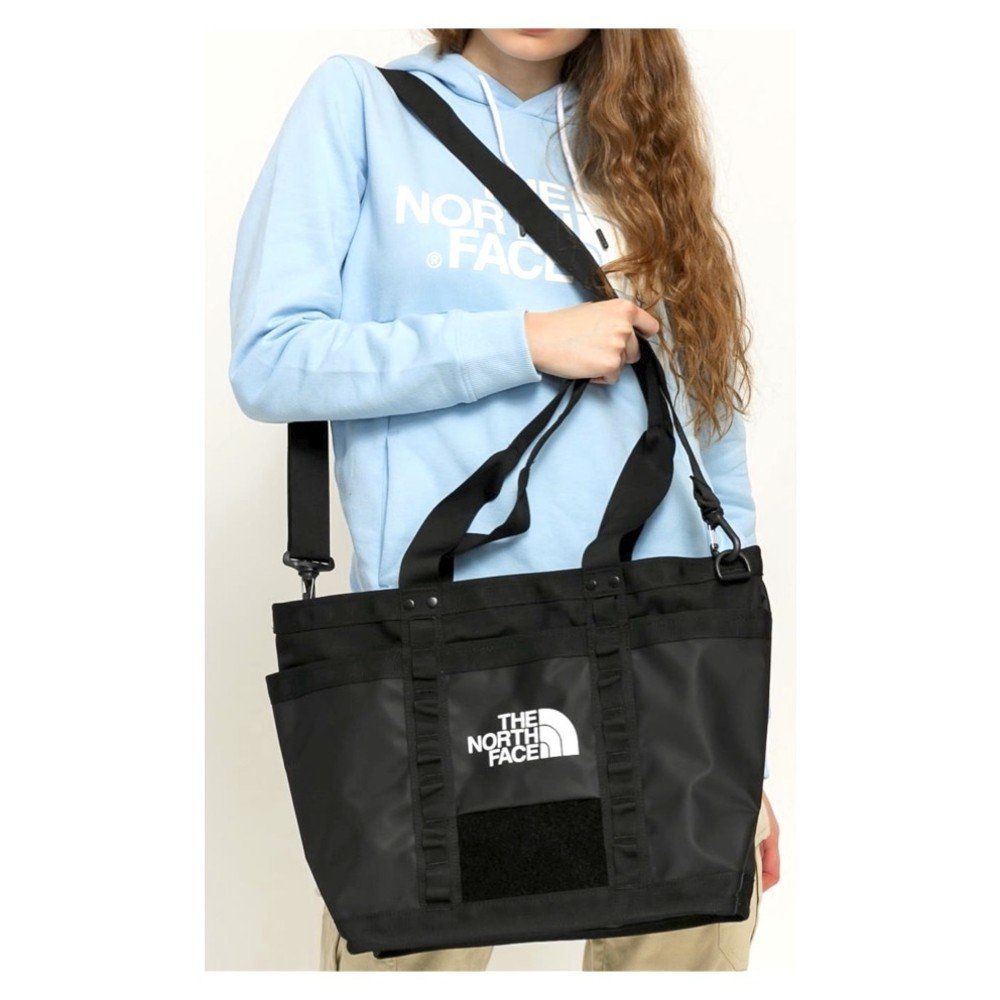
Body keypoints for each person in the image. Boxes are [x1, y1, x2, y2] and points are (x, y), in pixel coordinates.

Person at [229, 27, 780, 972]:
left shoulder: (643, 144)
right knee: (411, 946)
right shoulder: (363, 105)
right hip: (435, 658)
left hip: (659, 672)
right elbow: (272, 360)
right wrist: (524, 340)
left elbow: (711, 457)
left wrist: (741, 753)